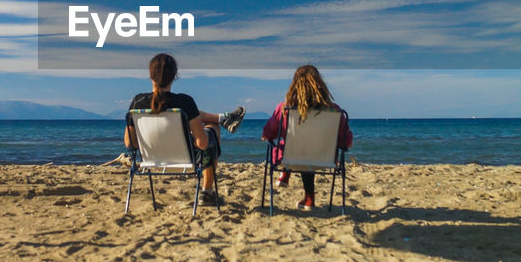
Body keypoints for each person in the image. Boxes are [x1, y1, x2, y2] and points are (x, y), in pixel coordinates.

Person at [124, 53, 245, 205]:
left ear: (150, 75)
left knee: (189, 114)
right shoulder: (184, 101)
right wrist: (189, 137)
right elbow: (202, 144)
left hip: (151, 160)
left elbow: (130, 143)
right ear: (174, 76)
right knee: (212, 129)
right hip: (185, 160)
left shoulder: (137, 102)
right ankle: (207, 193)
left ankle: (224, 118)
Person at [262, 64, 353, 210]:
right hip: (324, 160)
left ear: (294, 85)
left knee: (289, 147)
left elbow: (268, 133)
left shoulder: (285, 108)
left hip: (289, 158)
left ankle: (286, 172)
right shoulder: (334, 110)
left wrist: (266, 136)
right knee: (307, 152)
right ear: (320, 84)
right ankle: (309, 199)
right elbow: (347, 142)